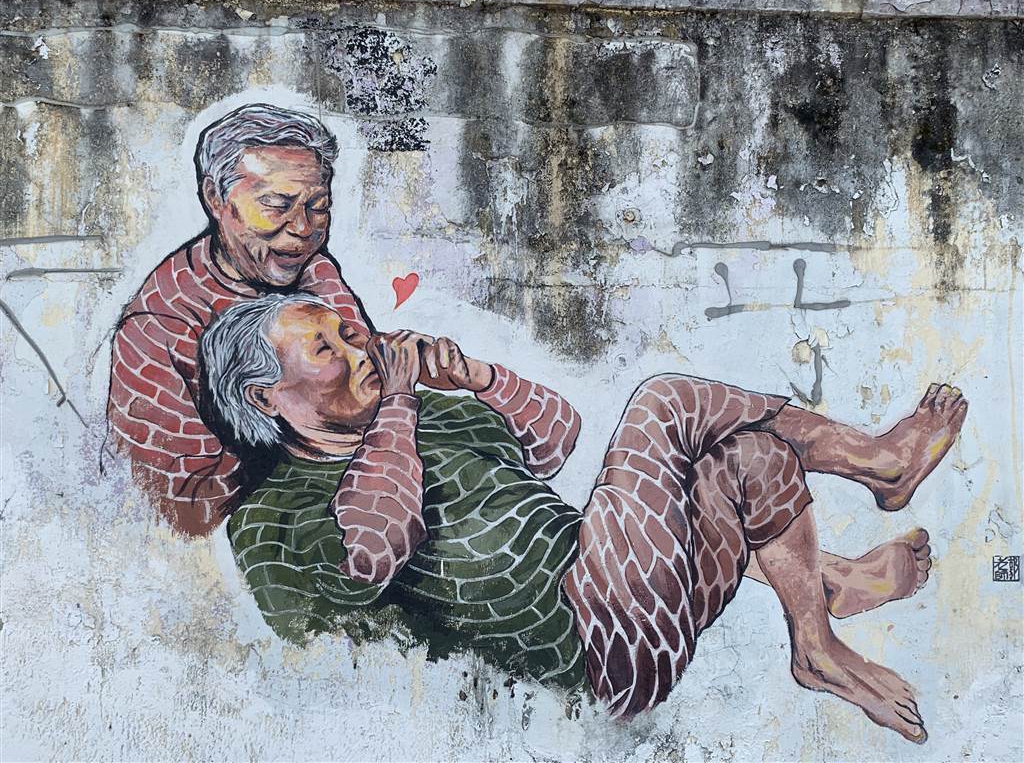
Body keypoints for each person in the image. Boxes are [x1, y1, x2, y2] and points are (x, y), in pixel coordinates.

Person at [200, 293, 967, 743]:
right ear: (267, 396)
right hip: (578, 658)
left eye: (348, 330)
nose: (357, 346)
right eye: (325, 349)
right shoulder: (272, 514)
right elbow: (372, 550)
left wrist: (475, 377)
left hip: (633, 607)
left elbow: (554, 438)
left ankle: (817, 627)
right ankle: (878, 465)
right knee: (667, 402)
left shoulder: (422, 417)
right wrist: (398, 404)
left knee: (752, 455)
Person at [106, 104, 371, 536]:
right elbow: (180, 507)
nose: (303, 229)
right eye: (277, 205)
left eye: (318, 206)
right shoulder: (157, 327)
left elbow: (371, 379)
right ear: (215, 198)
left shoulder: (309, 266)